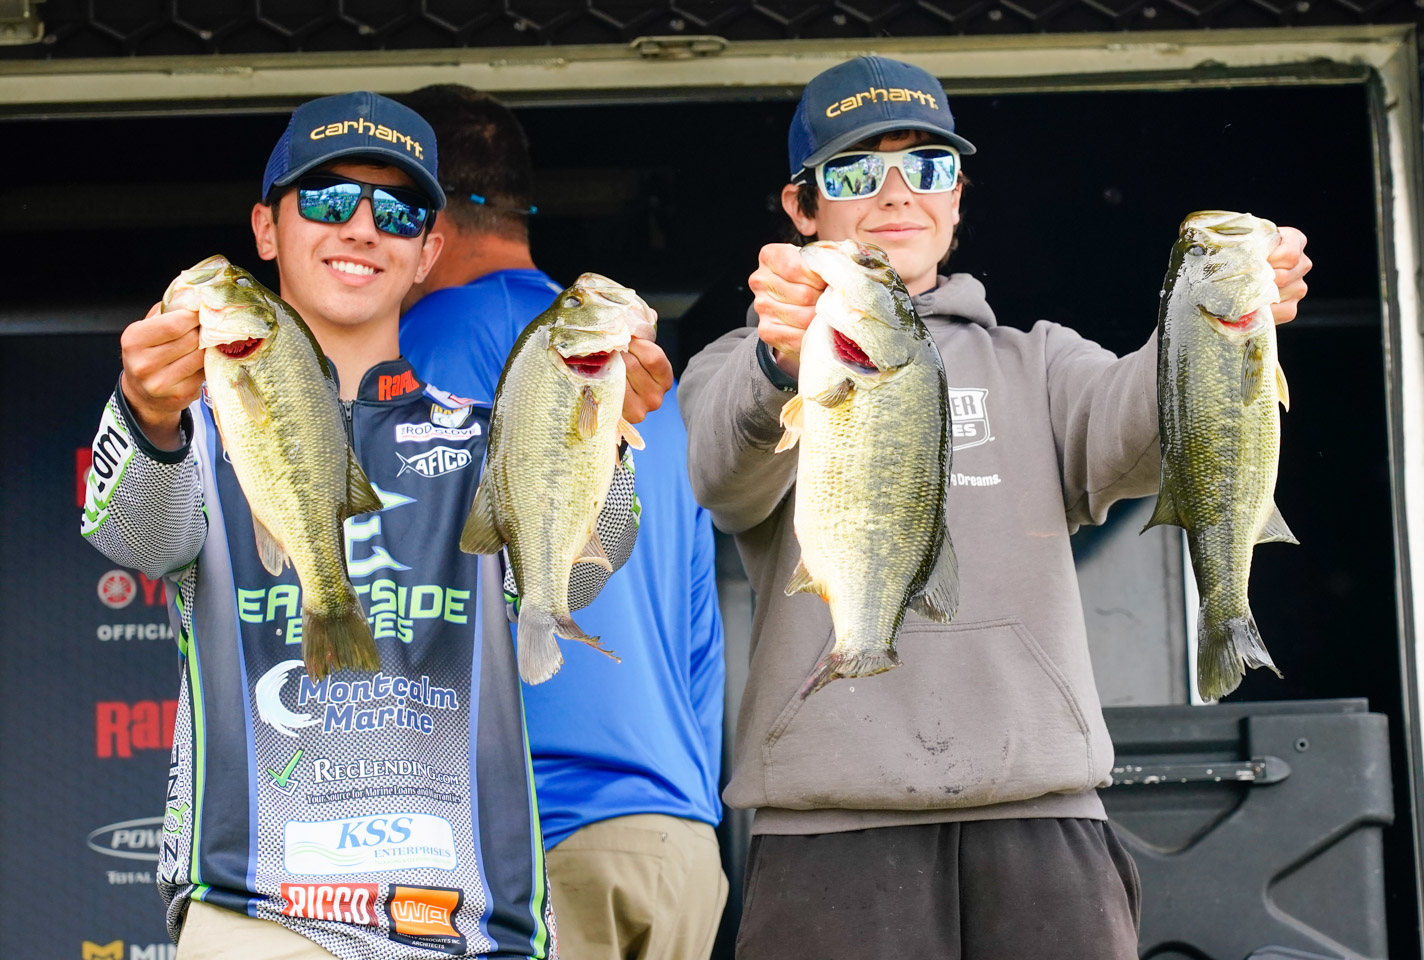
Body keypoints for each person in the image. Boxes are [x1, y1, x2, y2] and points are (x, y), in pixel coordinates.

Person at [677, 56, 1312, 959]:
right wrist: (778, 360)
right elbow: (720, 474)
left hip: (1045, 818)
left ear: (957, 195)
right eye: (856, 172)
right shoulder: (747, 364)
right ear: (802, 207)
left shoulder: (1040, 362)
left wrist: (1220, 319)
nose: (897, 192)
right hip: (827, 829)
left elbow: (1151, 425)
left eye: (927, 165)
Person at [80, 90, 666, 960]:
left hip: (471, 922)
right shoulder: (195, 425)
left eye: (396, 212)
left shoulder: (484, 434)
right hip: (257, 907)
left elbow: (579, 574)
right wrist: (146, 413)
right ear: (266, 228)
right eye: (327, 199)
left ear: (429, 250)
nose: (360, 227)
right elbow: (132, 538)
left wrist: (603, 445)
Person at [398, 84, 728, 960]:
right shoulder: (636, 375)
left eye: (386, 208)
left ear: (425, 218)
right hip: (676, 841)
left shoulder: (422, 347)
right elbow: (702, 637)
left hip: (530, 841)